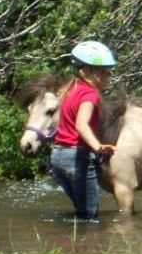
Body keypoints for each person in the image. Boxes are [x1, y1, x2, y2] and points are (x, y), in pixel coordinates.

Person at [50, 40, 118, 220]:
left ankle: (71, 245)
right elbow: (81, 124)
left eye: (108, 71)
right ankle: (86, 247)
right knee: (89, 216)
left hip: (58, 157)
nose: (107, 76)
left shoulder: (70, 90)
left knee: (81, 212)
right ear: (86, 70)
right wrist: (98, 147)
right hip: (77, 157)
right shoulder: (90, 94)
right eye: (101, 71)